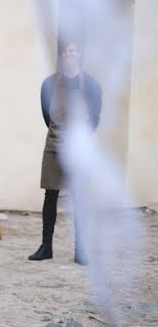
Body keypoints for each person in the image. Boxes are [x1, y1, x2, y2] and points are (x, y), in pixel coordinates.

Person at [28, 39, 102, 264]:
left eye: (73, 50)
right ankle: (46, 246)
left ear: (79, 53)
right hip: (54, 146)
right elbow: (46, 114)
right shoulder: (49, 84)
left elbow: (95, 117)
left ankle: (81, 249)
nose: (69, 54)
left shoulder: (90, 85)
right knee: (50, 196)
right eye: (66, 51)